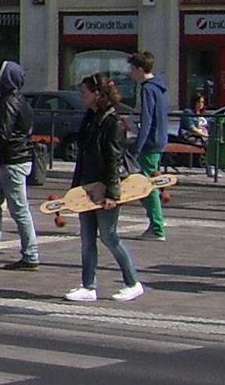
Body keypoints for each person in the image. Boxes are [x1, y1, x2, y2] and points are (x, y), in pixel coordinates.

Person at [65, 73, 145, 303]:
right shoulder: (90, 117)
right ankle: (88, 286)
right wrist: (75, 190)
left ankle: (132, 282)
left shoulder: (112, 122)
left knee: (109, 236)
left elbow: (113, 160)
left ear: (97, 94)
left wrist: (112, 194)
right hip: (87, 186)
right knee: (87, 237)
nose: (82, 97)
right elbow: (83, 155)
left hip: (104, 187)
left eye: (84, 93)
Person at [0, 60, 39, 269]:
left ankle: (31, 255)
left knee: (19, 210)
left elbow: (3, 132)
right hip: (16, 159)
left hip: (13, 161)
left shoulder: (8, 101)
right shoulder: (22, 101)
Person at [127, 51, 169, 241]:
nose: (130, 73)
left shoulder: (147, 89)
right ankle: (156, 221)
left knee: (145, 185)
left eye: (132, 69)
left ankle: (157, 226)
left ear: (140, 69)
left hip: (150, 143)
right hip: (159, 140)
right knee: (148, 181)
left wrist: (137, 145)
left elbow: (147, 121)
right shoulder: (159, 87)